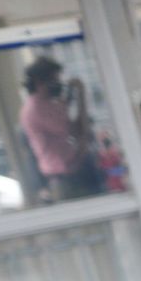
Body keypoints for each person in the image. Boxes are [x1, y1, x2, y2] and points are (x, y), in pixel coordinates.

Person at [18, 57, 102, 201]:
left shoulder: (49, 104)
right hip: (65, 176)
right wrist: (70, 98)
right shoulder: (36, 108)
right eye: (54, 81)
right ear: (40, 82)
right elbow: (72, 130)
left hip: (74, 169)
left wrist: (78, 96)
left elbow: (79, 128)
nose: (57, 85)